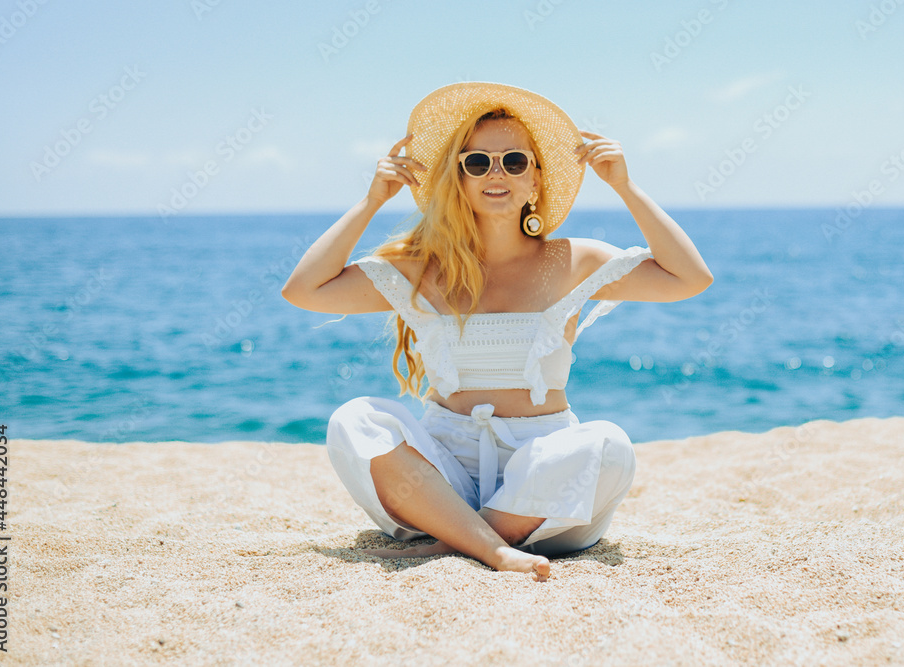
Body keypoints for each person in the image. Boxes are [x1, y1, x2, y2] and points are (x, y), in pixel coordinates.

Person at [282, 82, 712, 581]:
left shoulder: (574, 260)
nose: (497, 173)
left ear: (536, 178)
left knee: (607, 443)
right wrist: (372, 200)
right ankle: (492, 547)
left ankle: (461, 539)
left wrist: (625, 187)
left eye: (514, 160)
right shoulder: (422, 268)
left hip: (543, 482)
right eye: (477, 162)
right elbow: (304, 290)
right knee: (355, 419)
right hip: (444, 477)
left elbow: (690, 278)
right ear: (458, 178)